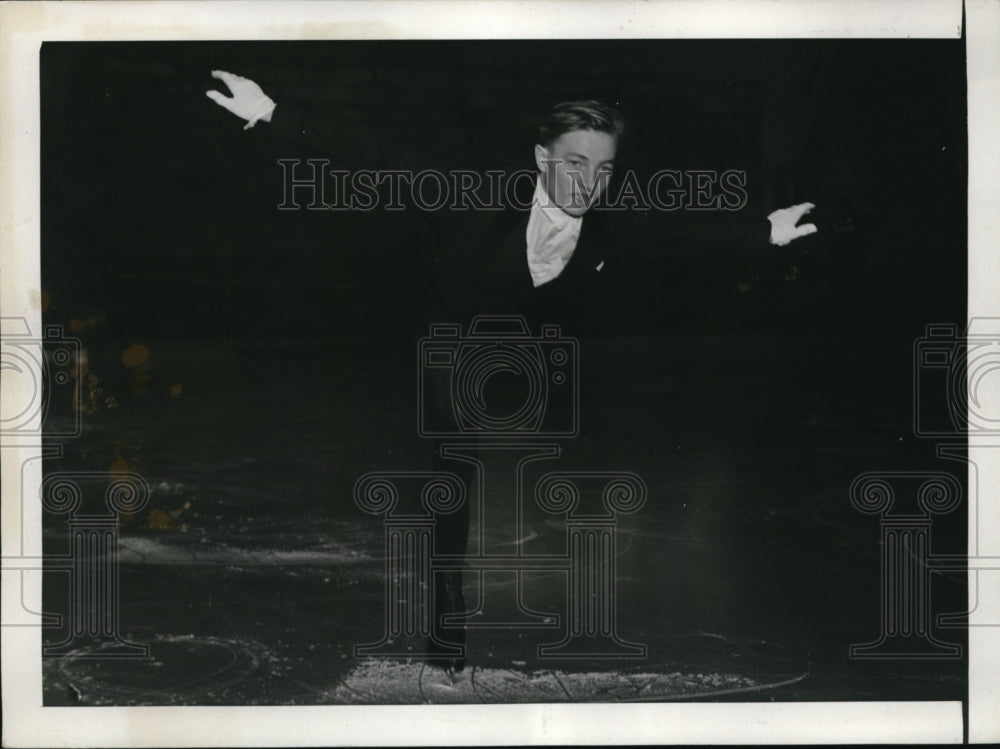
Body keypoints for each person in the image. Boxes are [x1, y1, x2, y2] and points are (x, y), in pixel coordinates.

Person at [206, 69, 817, 672]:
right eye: (574, 163)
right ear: (540, 158)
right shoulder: (473, 195)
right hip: (448, 320)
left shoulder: (613, 220)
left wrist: (763, 231)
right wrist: (271, 113)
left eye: (603, 169)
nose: (588, 183)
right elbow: (384, 154)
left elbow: (679, 236)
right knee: (456, 451)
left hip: (521, 327)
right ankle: (447, 610)